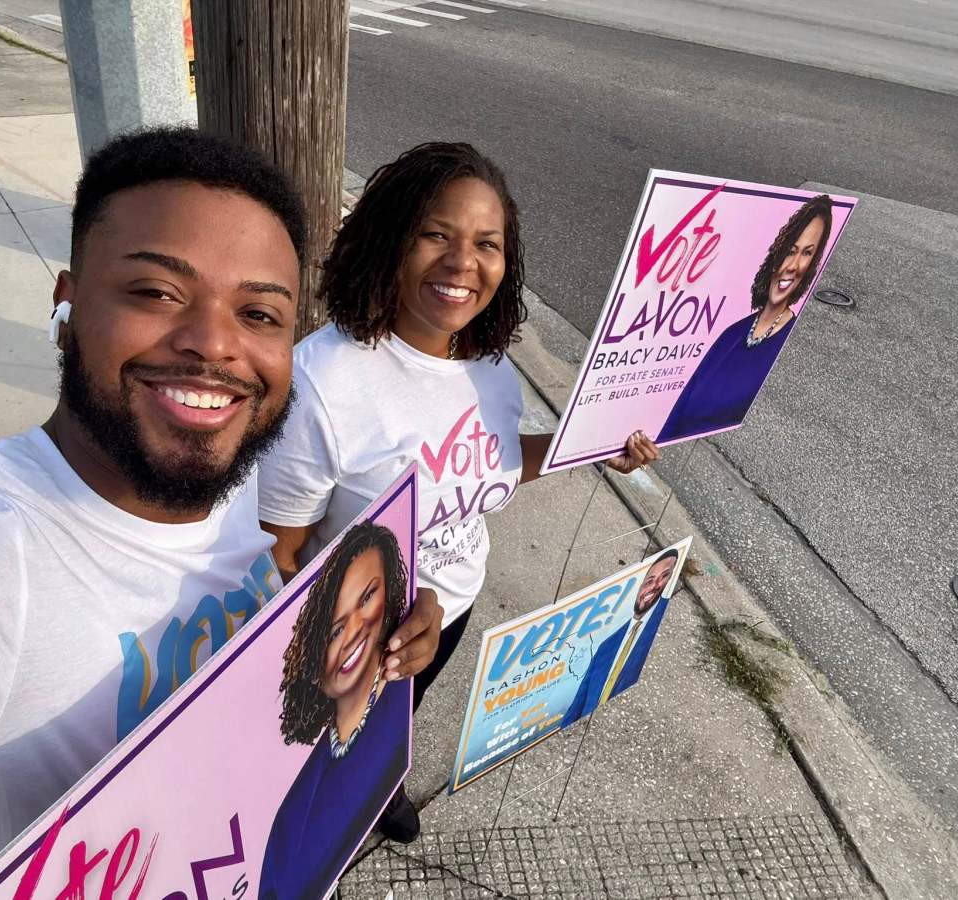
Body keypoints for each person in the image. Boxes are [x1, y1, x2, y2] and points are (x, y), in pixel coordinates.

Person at [0, 127, 441, 886]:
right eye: (156, 292)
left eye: (259, 314)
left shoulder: (227, 471)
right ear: (68, 304)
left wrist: (381, 631)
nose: (214, 344)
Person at [256, 142, 660, 841]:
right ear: (390, 239)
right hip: (352, 640)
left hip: (452, 608)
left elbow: (491, 464)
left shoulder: (489, 369)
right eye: (436, 235)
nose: (463, 263)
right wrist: (349, 638)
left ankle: (381, 784)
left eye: (486, 244)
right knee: (312, 770)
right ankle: (317, 838)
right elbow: (276, 556)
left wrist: (589, 445)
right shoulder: (324, 383)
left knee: (392, 727)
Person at [259, 522, 411, 900]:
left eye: (367, 597)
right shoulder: (292, 782)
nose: (355, 629)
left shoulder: (391, 720)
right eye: (335, 630)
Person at [656, 194, 834, 443]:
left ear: (813, 263)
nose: (793, 265)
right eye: (790, 251)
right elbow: (676, 415)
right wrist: (640, 454)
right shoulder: (732, 334)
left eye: (806, 253)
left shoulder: (789, 345)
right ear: (777, 253)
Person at [559, 548, 679, 729]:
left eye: (664, 576)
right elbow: (577, 707)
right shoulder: (606, 646)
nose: (655, 585)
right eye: (649, 580)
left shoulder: (655, 624)